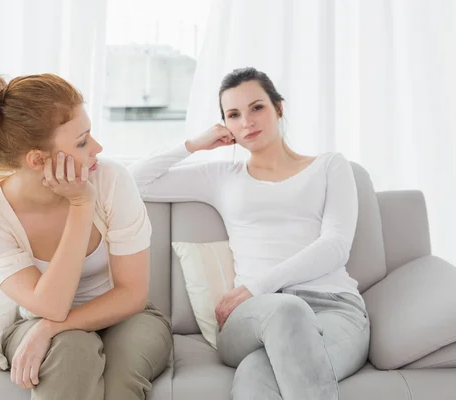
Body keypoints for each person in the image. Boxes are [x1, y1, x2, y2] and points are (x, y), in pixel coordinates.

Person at [129, 67, 369, 399]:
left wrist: (257, 285)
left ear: (278, 108)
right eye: (234, 115)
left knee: (257, 374)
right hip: (252, 315)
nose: (247, 122)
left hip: (334, 309)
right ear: (224, 125)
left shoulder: (329, 166)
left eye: (257, 107)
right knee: (287, 310)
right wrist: (194, 144)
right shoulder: (222, 177)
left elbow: (336, 245)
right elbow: (132, 183)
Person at [0, 73, 172, 400]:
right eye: (83, 141)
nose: (98, 148)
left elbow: (132, 293)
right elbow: (51, 306)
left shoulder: (111, 179)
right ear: (38, 160)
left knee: (122, 376)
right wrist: (81, 205)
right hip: (37, 322)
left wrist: (51, 328)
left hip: (127, 316)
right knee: (72, 350)